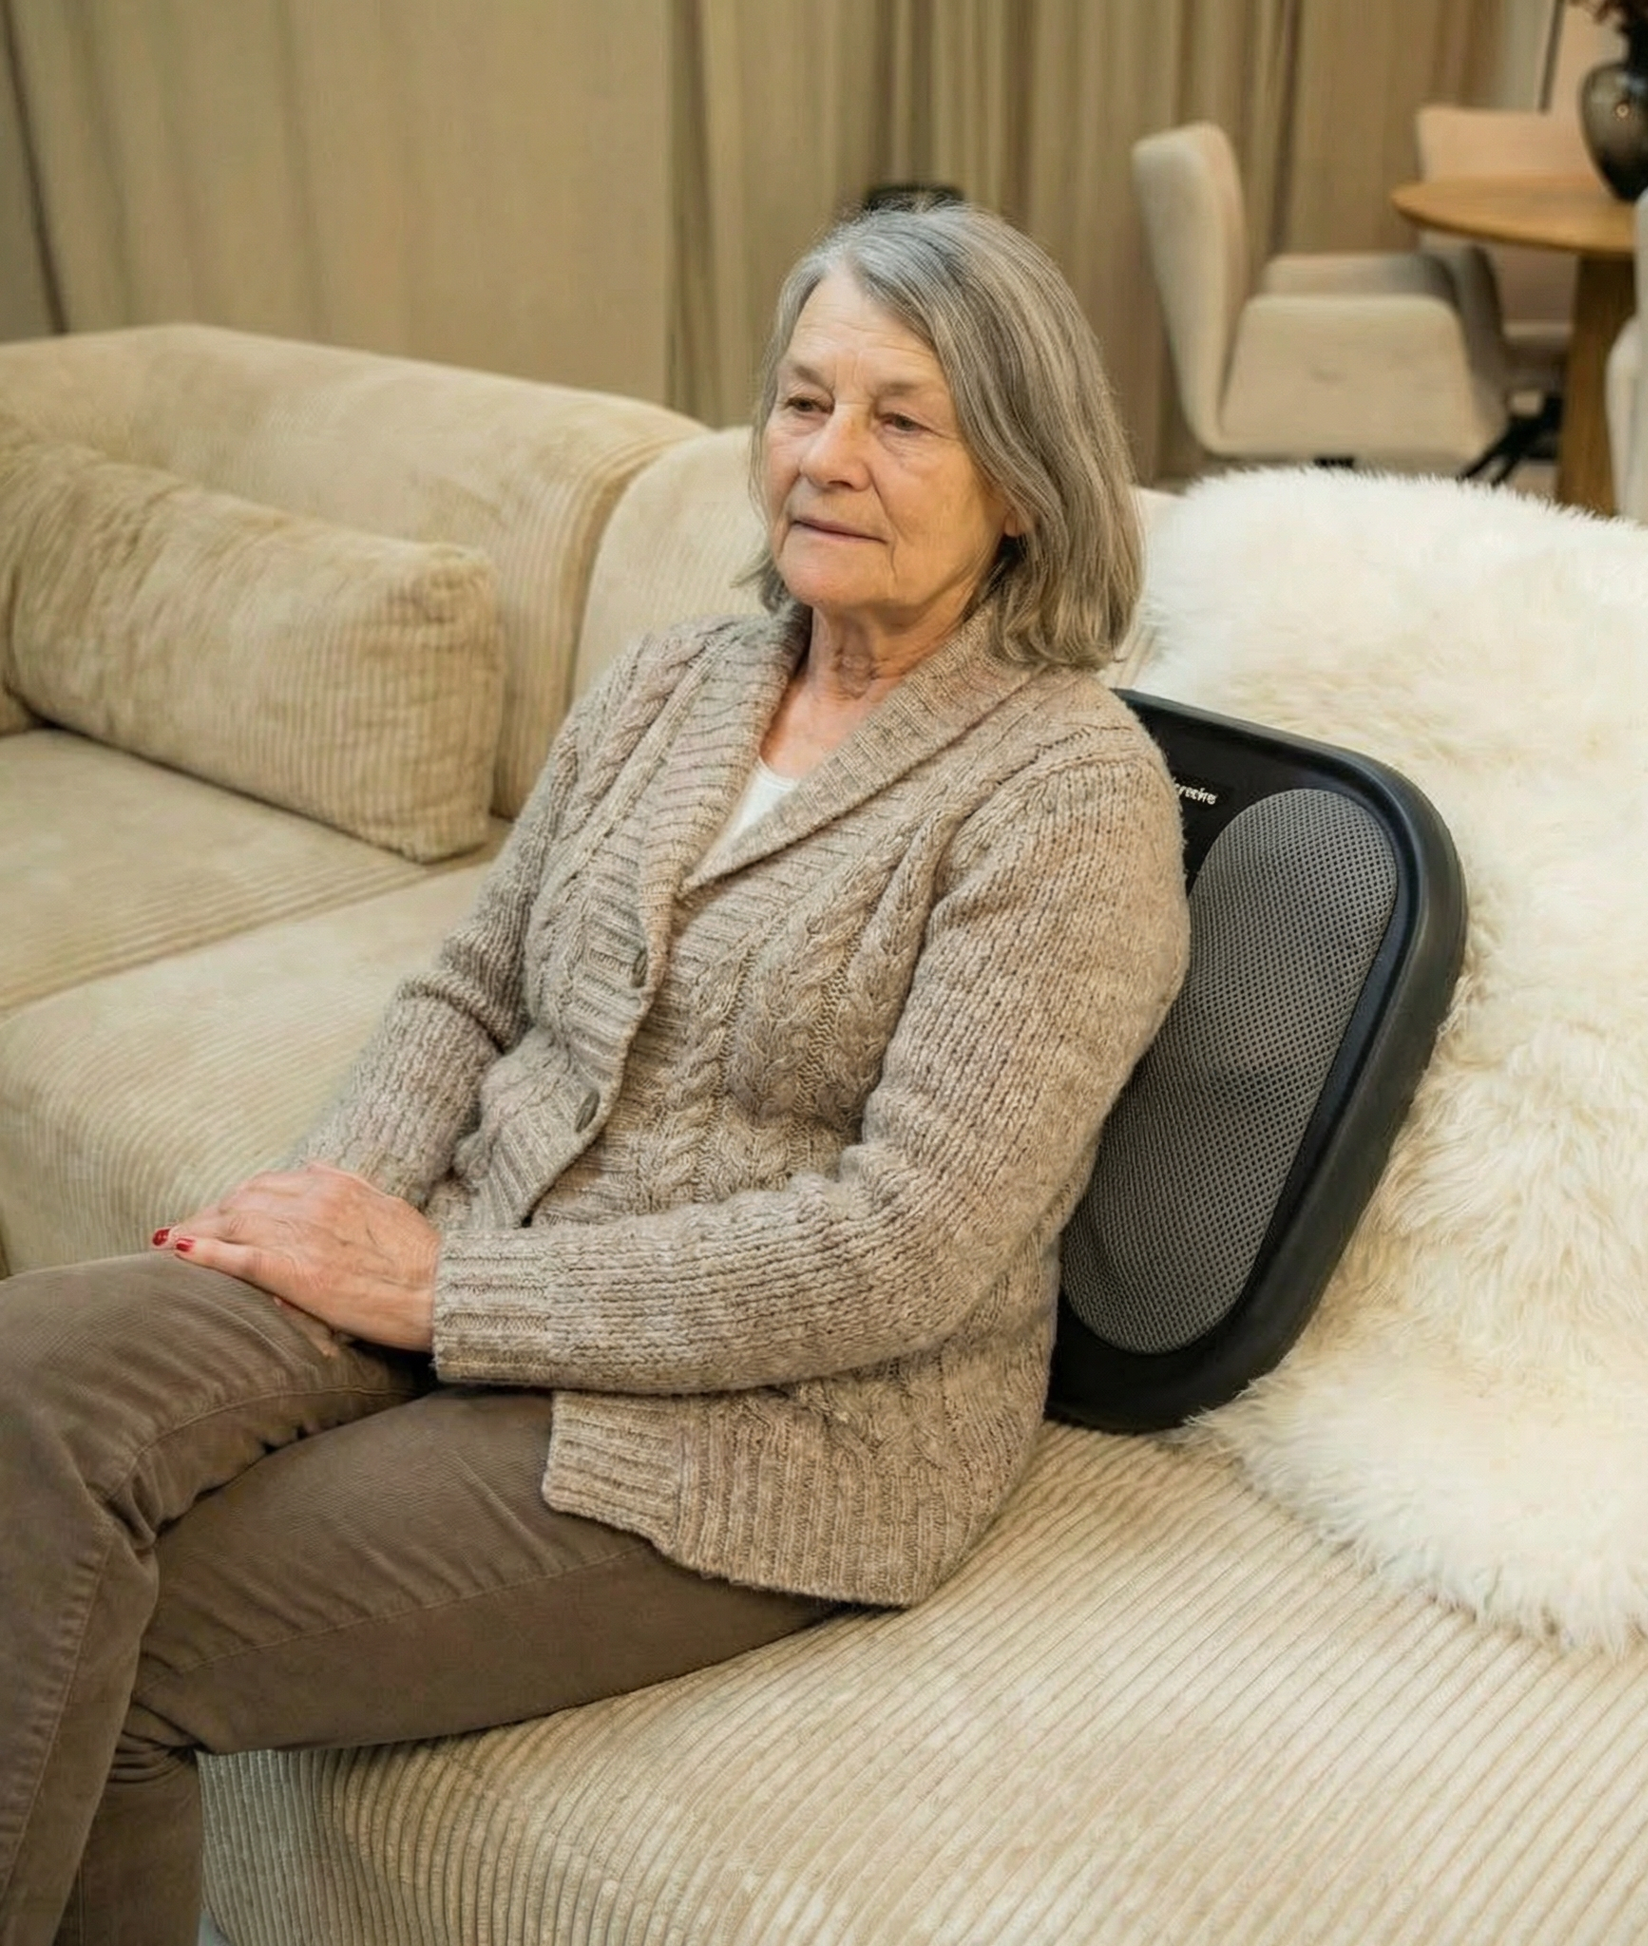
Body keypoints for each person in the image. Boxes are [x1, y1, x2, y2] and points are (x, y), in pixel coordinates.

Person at [0, 203, 1190, 1943]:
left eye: (900, 419)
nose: (825, 456)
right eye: (803, 401)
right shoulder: (670, 681)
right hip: (473, 1244)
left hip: (767, 1418)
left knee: (106, 1632)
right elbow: (473, 984)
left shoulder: (1068, 797)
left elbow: (903, 1246)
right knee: (25, 1380)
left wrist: (442, 1292)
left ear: (1020, 481)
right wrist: (337, 1206)